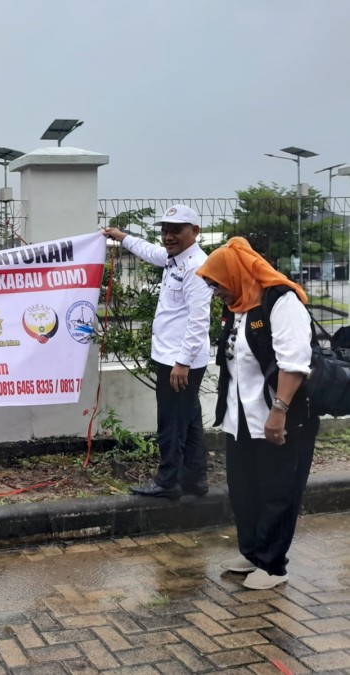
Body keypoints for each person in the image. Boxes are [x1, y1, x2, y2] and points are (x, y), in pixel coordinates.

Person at [197, 237, 317, 590]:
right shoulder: (239, 305)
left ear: (235, 273)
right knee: (244, 489)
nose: (215, 291)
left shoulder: (281, 301)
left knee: (278, 491)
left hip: (279, 418)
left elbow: (294, 363)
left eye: (217, 282)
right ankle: (252, 552)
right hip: (241, 420)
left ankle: (273, 565)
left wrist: (279, 411)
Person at [103, 204, 213, 499]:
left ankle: (167, 482)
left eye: (176, 230)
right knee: (189, 420)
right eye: (165, 230)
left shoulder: (196, 267)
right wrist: (121, 236)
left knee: (171, 423)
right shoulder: (173, 258)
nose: (168, 236)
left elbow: (199, 320)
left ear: (194, 231)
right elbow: (149, 250)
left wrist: (183, 362)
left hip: (180, 361)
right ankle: (195, 480)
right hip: (173, 357)